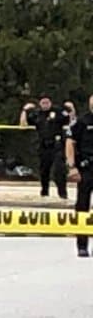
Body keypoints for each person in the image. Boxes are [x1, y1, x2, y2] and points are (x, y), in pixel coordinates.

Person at [20, 96, 70, 199]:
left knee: (59, 170)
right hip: (44, 146)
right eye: (43, 102)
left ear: (51, 102)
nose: (45, 104)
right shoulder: (37, 114)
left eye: (47, 102)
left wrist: (72, 109)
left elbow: (71, 121)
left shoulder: (58, 112)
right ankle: (44, 192)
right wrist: (25, 110)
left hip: (57, 145)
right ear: (40, 104)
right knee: (44, 171)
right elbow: (23, 124)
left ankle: (63, 194)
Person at [67, 96, 93, 257]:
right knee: (82, 206)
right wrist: (72, 167)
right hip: (86, 169)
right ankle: (82, 245)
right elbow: (70, 142)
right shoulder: (82, 121)